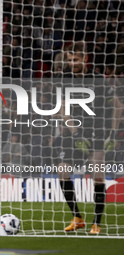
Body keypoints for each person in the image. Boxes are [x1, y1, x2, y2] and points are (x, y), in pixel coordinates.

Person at [56, 41, 116, 234]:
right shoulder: (65, 79)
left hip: (97, 133)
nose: (72, 63)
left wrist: (112, 134)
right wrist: (76, 133)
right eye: (70, 60)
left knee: (97, 176)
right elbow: (63, 110)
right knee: (62, 171)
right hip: (75, 133)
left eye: (76, 59)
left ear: (85, 59)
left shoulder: (99, 80)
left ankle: (96, 223)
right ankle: (77, 217)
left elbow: (117, 106)